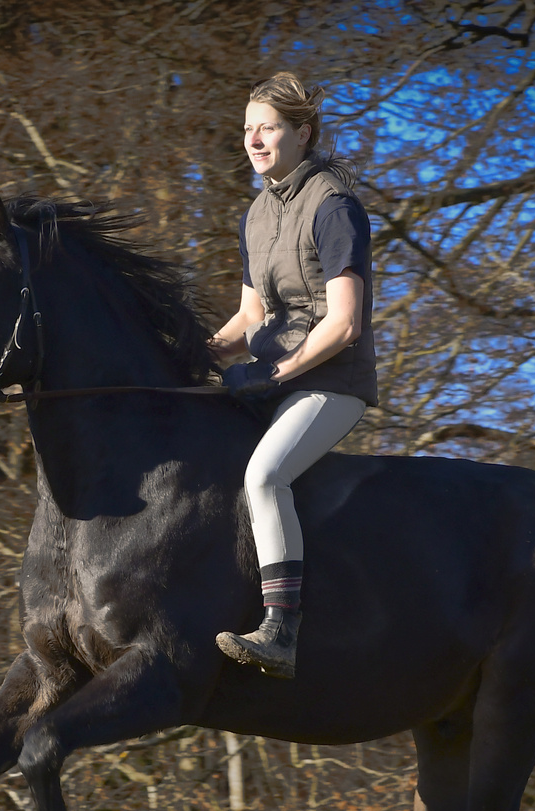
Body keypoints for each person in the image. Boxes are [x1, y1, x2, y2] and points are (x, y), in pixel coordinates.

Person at [209, 71, 377, 680]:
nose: (254, 141)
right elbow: (251, 315)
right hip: (273, 373)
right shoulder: (255, 214)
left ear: (302, 133)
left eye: (268, 128)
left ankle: (281, 631)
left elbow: (346, 324)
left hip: (332, 382)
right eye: (248, 130)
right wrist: (197, 350)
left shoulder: (334, 206)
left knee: (265, 476)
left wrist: (276, 371)